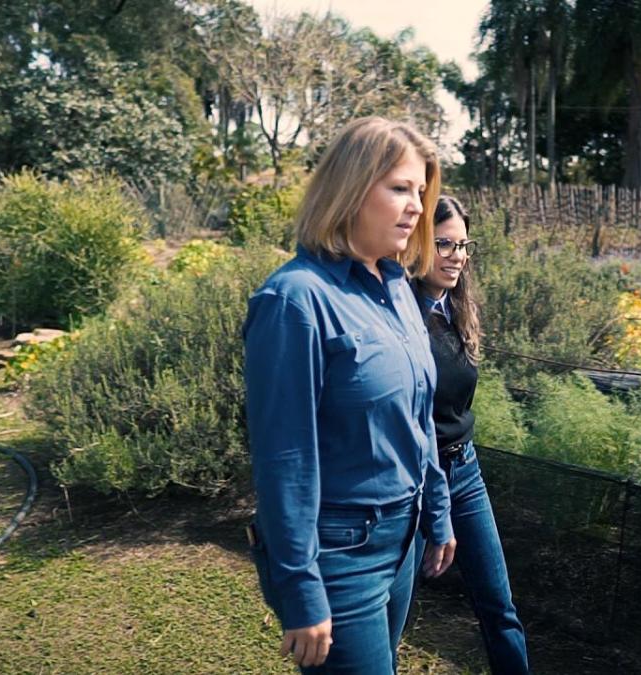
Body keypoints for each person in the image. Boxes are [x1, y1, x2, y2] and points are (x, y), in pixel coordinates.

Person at [243, 116, 457, 673]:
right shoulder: (295, 300)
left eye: (420, 190)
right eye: (399, 188)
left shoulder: (396, 289)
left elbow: (419, 417)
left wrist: (437, 510)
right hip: (340, 554)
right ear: (351, 188)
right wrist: (301, 590)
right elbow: (283, 460)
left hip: (403, 540)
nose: (417, 207)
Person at [405, 196, 531, 674]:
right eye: (444, 244)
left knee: (500, 607)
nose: (457, 255)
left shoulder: (457, 308)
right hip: (415, 478)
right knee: (393, 615)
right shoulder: (400, 313)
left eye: (463, 245)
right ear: (417, 245)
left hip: (465, 471)